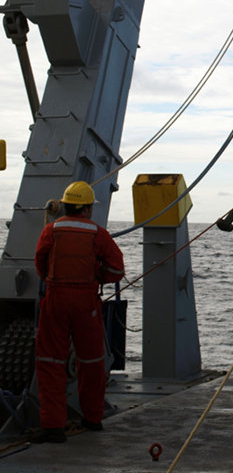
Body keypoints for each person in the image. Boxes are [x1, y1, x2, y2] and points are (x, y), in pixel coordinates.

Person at [30, 181, 125, 443]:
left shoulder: (51, 230)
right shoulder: (98, 234)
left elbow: (40, 262)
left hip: (56, 300)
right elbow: (117, 270)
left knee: (50, 362)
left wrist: (54, 280)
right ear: (87, 208)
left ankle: (53, 427)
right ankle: (93, 419)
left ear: (66, 205)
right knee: (92, 361)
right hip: (86, 303)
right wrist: (96, 277)